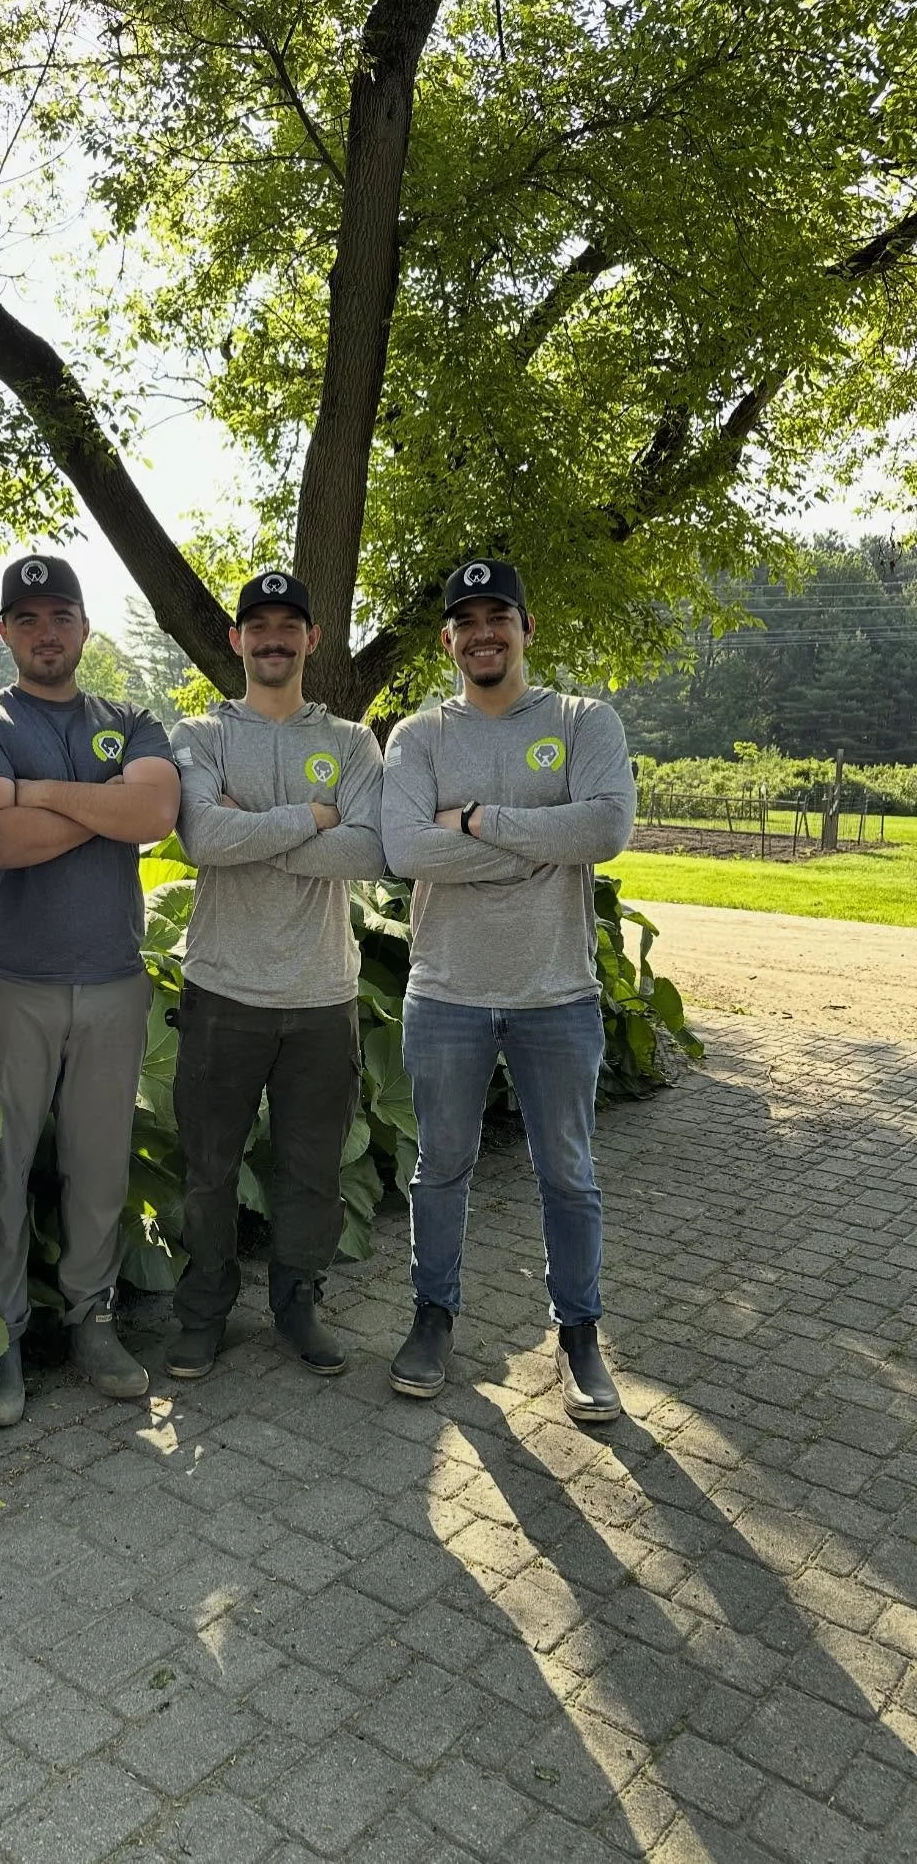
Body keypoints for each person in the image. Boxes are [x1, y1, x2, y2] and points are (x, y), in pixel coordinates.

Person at [381, 559, 636, 1422]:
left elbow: (604, 827)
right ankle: (433, 1315)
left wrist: (480, 820)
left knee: (568, 1173)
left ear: (527, 628)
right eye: (466, 619)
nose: (483, 632)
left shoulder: (580, 720)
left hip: (555, 991)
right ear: (446, 639)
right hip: (446, 990)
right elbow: (408, 851)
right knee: (441, 1167)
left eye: (500, 615)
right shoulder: (418, 738)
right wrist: (539, 842)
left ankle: (581, 1336)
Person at [0, 555, 180, 1426]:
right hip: (9, 984)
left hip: (113, 984)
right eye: (29, 619)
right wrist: (96, 804)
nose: (47, 633)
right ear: (6, 632)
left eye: (62, 616)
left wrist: (39, 794)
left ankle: (91, 1321)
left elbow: (153, 817)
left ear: (86, 627)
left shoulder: (133, 718)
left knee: (98, 1168)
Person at [166, 569, 385, 1380]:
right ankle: (203, 1310)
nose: (272, 639)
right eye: (256, 626)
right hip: (223, 990)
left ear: (312, 640)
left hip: (323, 996)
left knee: (310, 1170)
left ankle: (298, 1303)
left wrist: (251, 824)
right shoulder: (201, 735)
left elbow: (374, 849)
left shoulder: (352, 743)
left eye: (288, 625)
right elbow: (203, 841)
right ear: (236, 640)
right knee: (208, 1170)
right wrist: (311, 819)